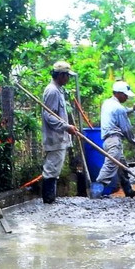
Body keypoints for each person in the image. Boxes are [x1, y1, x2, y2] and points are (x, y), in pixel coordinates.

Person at [40, 61, 79, 204]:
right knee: (51, 168)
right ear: (61, 75)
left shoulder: (58, 90)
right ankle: (48, 199)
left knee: (54, 168)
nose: (68, 79)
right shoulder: (52, 91)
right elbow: (49, 116)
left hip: (59, 137)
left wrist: (67, 127)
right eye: (67, 76)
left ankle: (51, 199)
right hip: (55, 137)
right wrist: (66, 127)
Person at [96, 80, 135, 197]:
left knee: (122, 167)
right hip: (114, 140)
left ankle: (128, 191)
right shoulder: (118, 108)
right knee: (110, 166)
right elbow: (126, 128)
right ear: (118, 94)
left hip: (107, 140)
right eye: (125, 95)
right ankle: (95, 192)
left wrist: (131, 109)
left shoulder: (107, 103)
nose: (126, 98)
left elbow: (120, 112)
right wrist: (133, 140)